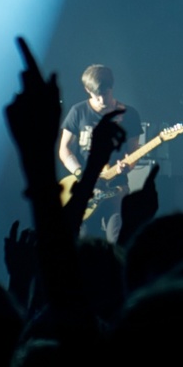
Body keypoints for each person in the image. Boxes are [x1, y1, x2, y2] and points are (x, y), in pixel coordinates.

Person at [59, 63, 134, 240]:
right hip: (85, 191)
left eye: (105, 94)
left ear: (112, 87)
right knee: (86, 244)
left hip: (116, 187)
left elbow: (132, 153)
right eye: (96, 95)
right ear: (87, 90)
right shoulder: (78, 112)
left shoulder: (129, 115)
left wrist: (127, 166)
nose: (102, 100)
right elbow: (64, 149)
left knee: (117, 240)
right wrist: (79, 173)